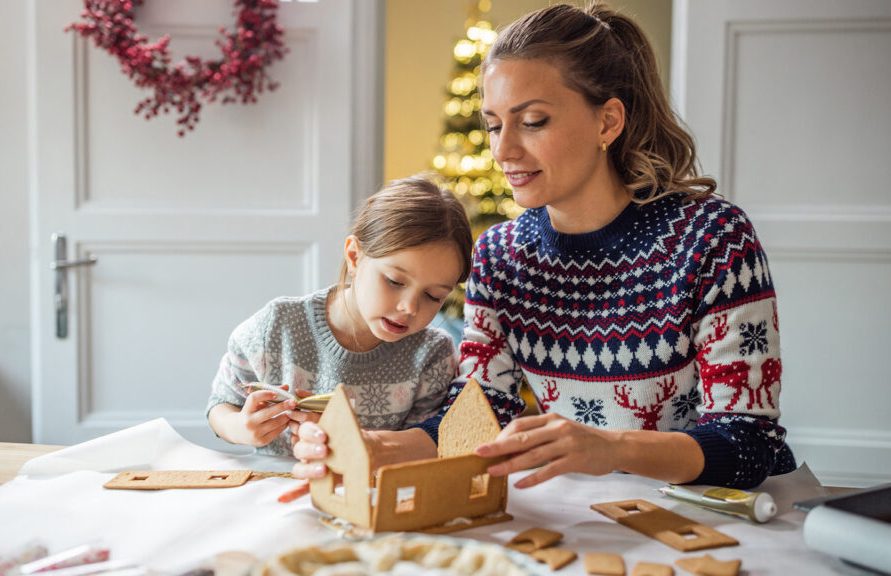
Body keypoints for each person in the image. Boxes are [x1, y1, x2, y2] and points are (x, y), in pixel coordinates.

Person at [292, 1, 795, 489]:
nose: (503, 150)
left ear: (608, 122)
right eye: (493, 124)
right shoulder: (500, 257)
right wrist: (378, 449)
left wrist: (611, 449)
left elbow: (749, 442)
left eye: (532, 121)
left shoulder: (713, 238)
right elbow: (478, 414)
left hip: (719, 512)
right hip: (586, 513)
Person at [206, 176, 473, 457]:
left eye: (433, 296)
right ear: (355, 256)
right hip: (275, 489)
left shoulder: (433, 354)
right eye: (395, 281)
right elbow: (221, 404)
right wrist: (241, 428)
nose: (410, 307)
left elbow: (420, 449)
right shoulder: (276, 326)